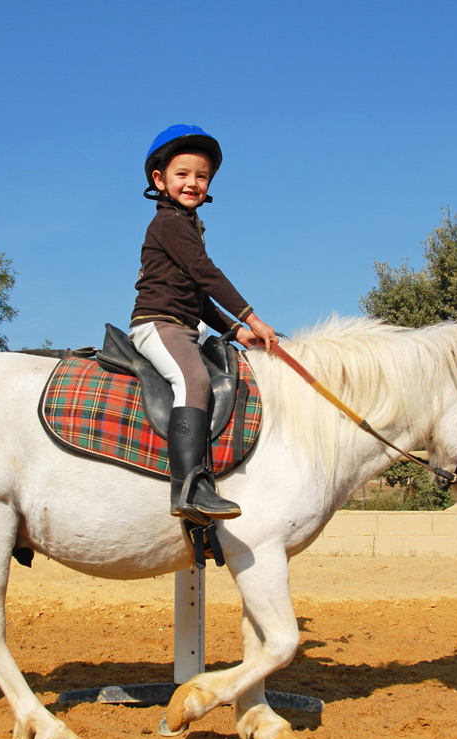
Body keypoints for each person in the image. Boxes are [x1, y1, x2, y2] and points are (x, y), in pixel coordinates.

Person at [130, 124, 279, 523]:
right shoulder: (168, 223)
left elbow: (198, 295)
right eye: (182, 174)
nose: (193, 183)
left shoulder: (188, 224)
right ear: (159, 179)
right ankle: (190, 487)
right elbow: (206, 273)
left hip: (183, 324)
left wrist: (238, 331)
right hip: (158, 324)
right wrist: (251, 316)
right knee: (193, 379)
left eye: (202, 176)